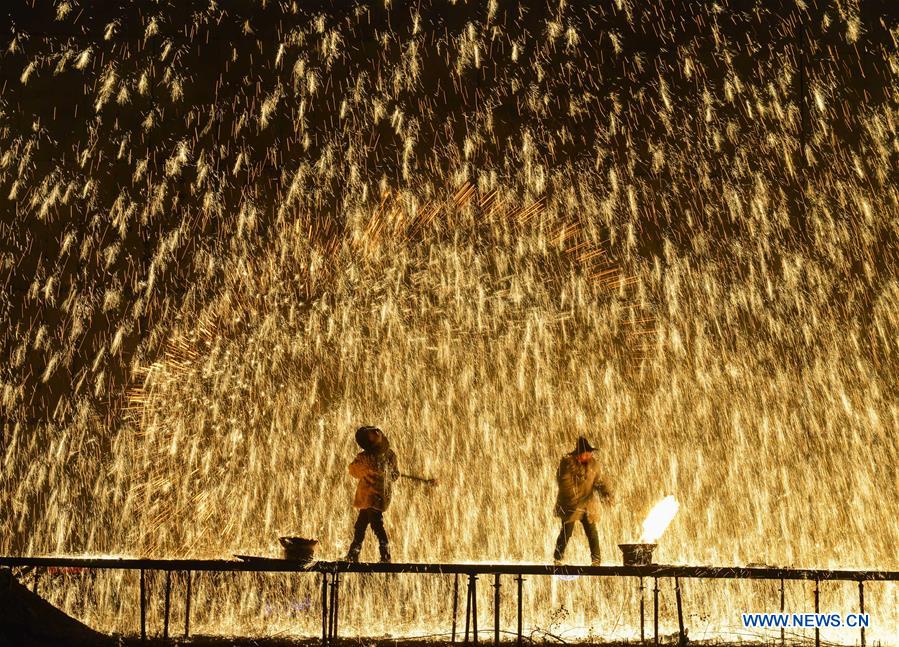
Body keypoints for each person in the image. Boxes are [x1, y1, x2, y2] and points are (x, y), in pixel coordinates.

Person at [553, 436, 612, 565]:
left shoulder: (594, 465)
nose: (589, 455)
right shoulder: (567, 464)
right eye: (586, 453)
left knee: (592, 532)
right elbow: (564, 483)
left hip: (588, 505)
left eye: (589, 453)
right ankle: (558, 558)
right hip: (570, 505)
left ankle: (596, 560)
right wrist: (575, 500)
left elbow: (599, 482)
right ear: (579, 455)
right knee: (566, 532)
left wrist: (606, 495)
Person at [345, 426, 399, 563]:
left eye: (375, 430)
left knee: (374, 526)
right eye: (371, 434)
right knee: (361, 526)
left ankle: (381, 555)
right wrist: (366, 467)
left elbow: (394, 474)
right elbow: (353, 470)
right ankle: (354, 554)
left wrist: (392, 473)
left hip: (378, 496)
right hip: (366, 496)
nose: (376, 432)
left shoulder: (390, 455)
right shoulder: (364, 457)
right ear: (369, 442)